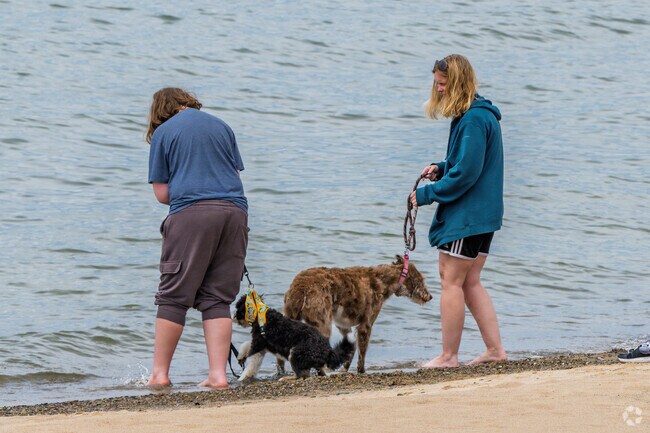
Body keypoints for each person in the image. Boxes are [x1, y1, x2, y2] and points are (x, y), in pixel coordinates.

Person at [146, 87, 248, 388]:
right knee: (217, 297)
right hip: (235, 213)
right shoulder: (222, 126)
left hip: (192, 215)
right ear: (188, 103)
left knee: (173, 296)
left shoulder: (164, 133)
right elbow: (234, 176)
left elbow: (162, 194)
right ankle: (218, 376)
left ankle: (159, 375)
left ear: (161, 111)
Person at [409, 54, 507, 368]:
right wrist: (441, 167)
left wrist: (424, 195)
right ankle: (495, 351)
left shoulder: (474, 119)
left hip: (468, 216)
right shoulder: (475, 115)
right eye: (436, 83)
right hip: (483, 214)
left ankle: (449, 356)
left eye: (442, 83)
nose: (437, 89)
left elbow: (466, 174)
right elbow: (464, 163)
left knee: (450, 280)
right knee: (470, 281)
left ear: (457, 84)